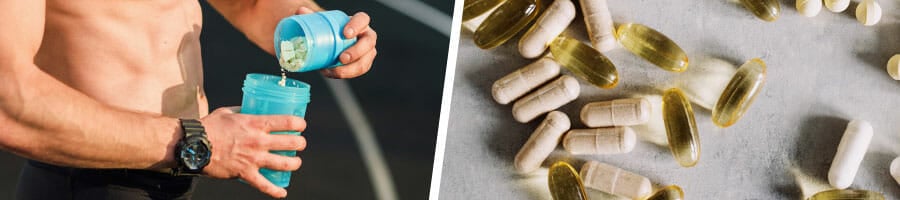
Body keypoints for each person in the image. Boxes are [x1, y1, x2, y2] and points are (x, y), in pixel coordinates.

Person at [0, 0, 377, 199]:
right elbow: (7, 99)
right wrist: (194, 142)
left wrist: (323, 32)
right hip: (91, 183)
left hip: (174, 176)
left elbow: (250, 3)